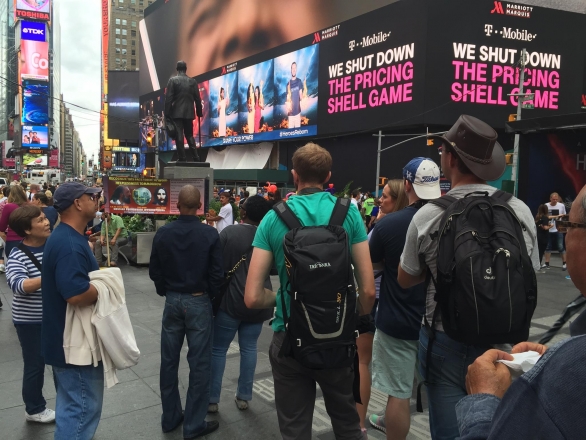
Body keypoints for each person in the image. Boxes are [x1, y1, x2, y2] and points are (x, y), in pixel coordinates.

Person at [397, 115, 540, 440]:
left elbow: (406, 279)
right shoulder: (518, 210)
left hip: (444, 341)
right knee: (495, 429)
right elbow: (530, 272)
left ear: (448, 157)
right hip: (502, 343)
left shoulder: (428, 214)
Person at [244, 142, 376, 440]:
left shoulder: (272, 218)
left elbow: (252, 296)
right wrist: (351, 318)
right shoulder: (349, 214)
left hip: (290, 339)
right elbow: (368, 291)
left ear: (294, 176)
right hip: (339, 340)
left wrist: (282, 300)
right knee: (347, 423)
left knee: (294, 428)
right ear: (328, 176)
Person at [456, 184, 586, 439]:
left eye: (568, 227)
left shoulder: (573, 369)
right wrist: (554, 362)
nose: (565, 237)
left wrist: (483, 400)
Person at [368, 159, 441, 440]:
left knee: (397, 393)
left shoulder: (390, 225)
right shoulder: (452, 216)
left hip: (396, 321)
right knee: (441, 391)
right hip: (441, 324)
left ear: (407, 184)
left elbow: (370, 268)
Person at [149, 185, 223, 439]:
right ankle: (193, 424)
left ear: (177, 205)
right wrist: (211, 299)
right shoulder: (210, 234)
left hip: (172, 300)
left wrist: (165, 291)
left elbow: (154, 270)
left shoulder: (164, 233)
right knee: (200, 364)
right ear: (200, 206)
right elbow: (217, 275)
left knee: (168, 361)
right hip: (199, 301)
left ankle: (170, 418)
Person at [41, 182, 103, 440]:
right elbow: (76, 294)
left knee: (71, 406)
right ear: (78, 203)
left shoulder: (68, 237)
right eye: (92, 195)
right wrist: (107, 287)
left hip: (64, 341)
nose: (97, 199)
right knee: (81, 411)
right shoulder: (69, 244)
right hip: (74, 347)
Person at [209, 196, 273, 413]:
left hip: (231, 301)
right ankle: (244, 396)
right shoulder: (270, 236)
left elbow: (217, 265)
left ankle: (212, 399)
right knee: (249, 348)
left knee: (218, 350)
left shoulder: (229, 233)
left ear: (243, 213)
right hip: (258, 302)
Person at [6, 205, 54, 424]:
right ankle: (34, 409)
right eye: (40, 221)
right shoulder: (17, 254)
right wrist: (50, 276)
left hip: (52, 316)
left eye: (45, 218)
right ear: (27, 230)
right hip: (29, 321)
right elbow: (17, 285)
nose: (47, 223)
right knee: (35, 364)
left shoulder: (52, 246)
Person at [164, 60, 203, 162]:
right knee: (189, 135)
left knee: (179, 135)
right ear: (186, 69)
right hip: (189, 113)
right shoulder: (193, 82)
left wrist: (167, 114)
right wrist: (199, 112)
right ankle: (196, 158)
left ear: (177, 69)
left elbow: (168, 99)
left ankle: (182, 158)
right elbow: (197, 99)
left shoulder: (173, 81)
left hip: (177, 113)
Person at [0, 184, 29, 258]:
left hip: (12, 241)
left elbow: (2, 227)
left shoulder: (8, 207)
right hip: (29, 240)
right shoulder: (29, 206)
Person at [543, 192, 567, 270]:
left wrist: (562, 220)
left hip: (558, 228)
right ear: (550, 199)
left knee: (560, 246)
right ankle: (547, 263)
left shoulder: (561, 205)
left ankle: (564, 263)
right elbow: (545, 216)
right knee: (548, 247)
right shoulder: (546, 205)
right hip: (549, 228)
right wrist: (556, 216)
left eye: (556, 199)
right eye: (553, 199)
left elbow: (564, 215)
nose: (555, 201)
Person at [286, 62, 305, 128]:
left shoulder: (299, 81)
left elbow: (301, 94)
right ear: (291, 70)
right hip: (290, 115)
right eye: (292, 68)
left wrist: (303, 99)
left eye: (295, 68)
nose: (293, 69)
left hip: (298, 113)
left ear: (296, 69)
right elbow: (288, 98)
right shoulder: (288, 84)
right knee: (290, 136)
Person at [535, 204, 551, 269]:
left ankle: (536, 264)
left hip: (538, 236)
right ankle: (538, 265)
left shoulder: (537, 217)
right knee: (541, 252)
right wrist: (551, 226)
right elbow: (545, 228)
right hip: (543, 237)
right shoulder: (545, 218)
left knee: (538, 251)